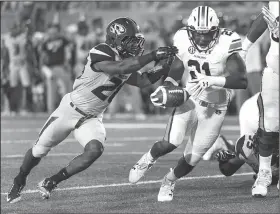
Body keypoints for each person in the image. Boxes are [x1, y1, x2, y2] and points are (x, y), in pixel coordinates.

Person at [6, 17, 178, 203]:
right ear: (115, 39)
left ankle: (51, 181)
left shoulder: (128, 61)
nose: (135, 45)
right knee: (39, 150)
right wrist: (152, 56)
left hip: (93, 117)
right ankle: (19, 180)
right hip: (70, 110)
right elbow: (118, 67)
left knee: (94, 150)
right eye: (129, 40)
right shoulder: (102, 50)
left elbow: (143, 81)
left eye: (135, 40)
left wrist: (165, 65)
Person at [129, 6, 247, 202]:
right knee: (171, 141)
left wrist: (214, 81)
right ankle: (147, 159)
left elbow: (242, 80)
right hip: (190, 97)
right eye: (197, 34)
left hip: (215, 106)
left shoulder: (227, 41)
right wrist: (169, 86)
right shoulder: (182, 37)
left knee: (192, 157)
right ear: (190, 31)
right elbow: (177, 66)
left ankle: (168, 181)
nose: (201, 39)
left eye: (206, 34)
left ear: (215, 31)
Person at [239, 1, 279, 197]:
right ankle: (264, 173)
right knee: (269, 123)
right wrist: (245, 47)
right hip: (274, 70)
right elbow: (265, 17)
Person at [203, 93, 279, 188]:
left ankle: (225, 146)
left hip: (254, 108)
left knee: (245, 154)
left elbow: (228, 169)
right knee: (265, 166)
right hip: (260, 112)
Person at [41, 22, 73, 113]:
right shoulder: (46, 41)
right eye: (51, 33)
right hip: (50, 68)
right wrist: (43, 69)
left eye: (55, 32)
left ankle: (67, 108)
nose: (53, 34)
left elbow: (70, 45)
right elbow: (42, 56)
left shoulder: (62, 39)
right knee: (51, 90)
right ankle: (50, 110)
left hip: (60, 66)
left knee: (67, 87)